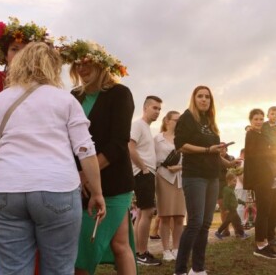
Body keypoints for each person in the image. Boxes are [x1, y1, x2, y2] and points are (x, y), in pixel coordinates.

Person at [0, 42, 105, 274]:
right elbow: (85, 150)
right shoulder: (65, 101)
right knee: (59, 267)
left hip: (6, 191)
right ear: (53, 67)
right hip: (57, 188)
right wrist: (97, 192)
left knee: (12, 268)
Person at [0, 17, 51, 275]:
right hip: (1, 174)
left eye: (26, 49)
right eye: (15, 49)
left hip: (38, 173)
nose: (20, 54)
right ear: (5, 55)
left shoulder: (43, 88)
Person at [60, 39, 136, 275]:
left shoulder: (120, 93)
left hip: (114, 180)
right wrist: (78, 175)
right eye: (78, 64)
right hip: (79, 184)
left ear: (102, 65)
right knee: (83, 246)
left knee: (118, 244)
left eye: (87, 63)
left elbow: (119, 142)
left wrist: (88, 173)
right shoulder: (73, 96)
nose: (82, 69)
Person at [173, 85, 238, 275]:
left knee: (206, 224)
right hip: (194, 176)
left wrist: (230, 164)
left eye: (207, 97)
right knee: (194, 223)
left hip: (212, 178)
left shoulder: (210, 122)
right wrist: (208, 150)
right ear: (194, 99)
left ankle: (198, 269)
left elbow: (214, 154)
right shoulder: (187, 118)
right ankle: (180, 271)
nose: (204, 99)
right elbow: (181, 146)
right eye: (200, 96)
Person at [129, 95, 163, 266]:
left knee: (143, 213)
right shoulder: (138, 125)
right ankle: (142, 253)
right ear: (145, 108)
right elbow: (129, 146)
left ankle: (138, 251)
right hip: (143, 173)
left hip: (147, 173)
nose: (157, 112)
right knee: (148, 212)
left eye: (159, 109)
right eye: (154, 108)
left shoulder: (146, 128)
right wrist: (143, 167)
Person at [243, 108, 276, 259]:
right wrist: (272, 152)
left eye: (260, 119)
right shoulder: (251, 134)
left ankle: (264, 242)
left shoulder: (261, 134)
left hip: (268, 176)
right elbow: (255, 156)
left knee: (266, 212)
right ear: (251, 121)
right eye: (255, 119)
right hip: (260, 178)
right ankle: (259, 245)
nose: (259, 122)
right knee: (263, 213)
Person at [154, 111, 186, 262]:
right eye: (176, 120)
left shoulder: (183, 140)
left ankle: (177, 248)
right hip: (163, 178)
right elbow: (152, 160)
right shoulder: (157, 139)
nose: (178, 122)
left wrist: (178, 168)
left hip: (180, 179)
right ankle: (166, 250)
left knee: (179, 216)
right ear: (167, 121)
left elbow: (190, 161)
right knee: (165, 216)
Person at [214, 172, 249, 240]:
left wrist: (243, 203)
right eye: (234, 181)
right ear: (228, 181)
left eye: (236, 181)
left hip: (233, 209)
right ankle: (242, 234)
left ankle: (218, 232)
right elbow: (225, 200)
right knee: (238, 222)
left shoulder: (232, 190)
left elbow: (236, 199)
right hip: (231, 210)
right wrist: (226, 209)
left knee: (227, 222)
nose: (235, 183)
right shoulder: (227, 190)